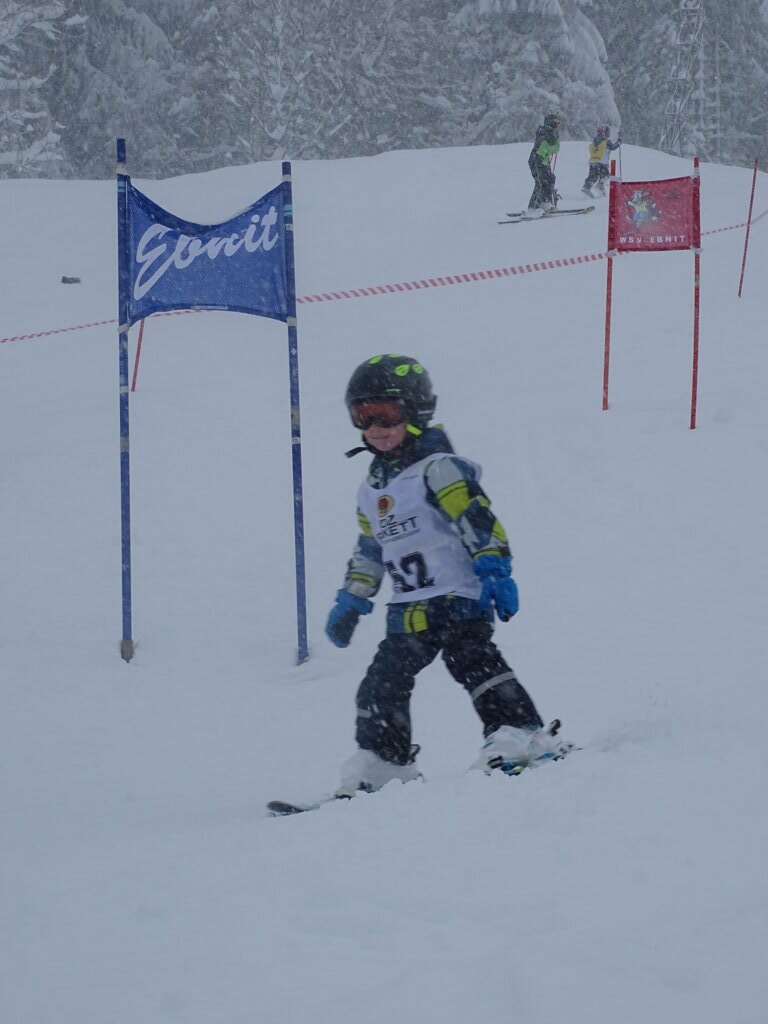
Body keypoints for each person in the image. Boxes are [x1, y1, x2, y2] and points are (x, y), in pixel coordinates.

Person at [325, 354, 570, 797]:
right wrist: (352, 599)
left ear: (415, 412)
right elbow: (370, 551)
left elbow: (475, 518)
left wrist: (494, 568)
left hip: (457, 597)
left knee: (474, 664)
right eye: (363, 416)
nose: (375, 428)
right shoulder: (370, 490)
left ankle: (520, 735)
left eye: (386, 414)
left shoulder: (438, 468)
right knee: (381, 684)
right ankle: (384, 761)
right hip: (407, 609)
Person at [526, 112, 561, 217]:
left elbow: (555, 148)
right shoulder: (544, 131)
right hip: (536, 161)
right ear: (550, 122)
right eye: (555, 122)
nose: (557, 124)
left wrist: (555, 141)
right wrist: (554, 142)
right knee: (541, 183)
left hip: (544, 161)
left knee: (549, 180)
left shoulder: (550, 133)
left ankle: (544, 202)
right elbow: (550, 147)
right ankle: (532, 207)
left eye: (558, 122)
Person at [582, 123, 621, 198]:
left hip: (593, 162)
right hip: (602, 163)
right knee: (606, 176)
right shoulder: (607, 141)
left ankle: (586, 187)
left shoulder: (595, 140)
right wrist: (619, 142)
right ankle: (600, 185)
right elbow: (613, 147)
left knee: (593, 176)